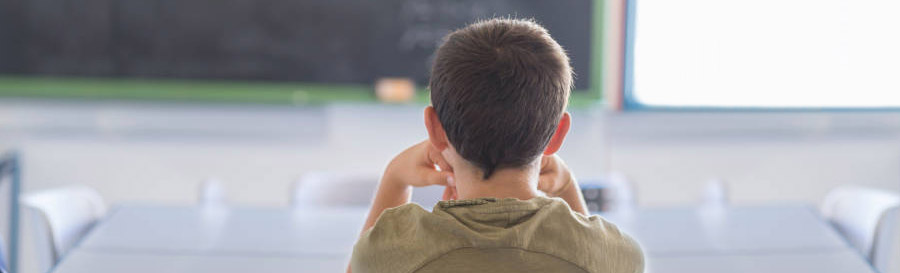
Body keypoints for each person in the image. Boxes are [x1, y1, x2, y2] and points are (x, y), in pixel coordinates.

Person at [349, 18, 644, 273]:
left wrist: (395, 177)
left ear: (434, 130)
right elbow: (589, 249)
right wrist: (566, 185)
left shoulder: (392, 252)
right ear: (558, 135)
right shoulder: (618, 256)